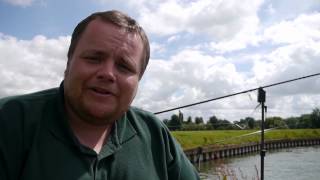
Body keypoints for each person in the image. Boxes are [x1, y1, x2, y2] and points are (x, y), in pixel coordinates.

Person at [0, 10, 200, 180]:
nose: (107, 73)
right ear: (68, 64)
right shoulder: (9, 120)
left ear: (138, 80)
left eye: (124, 66)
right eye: (94, 58)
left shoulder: (155, 133)